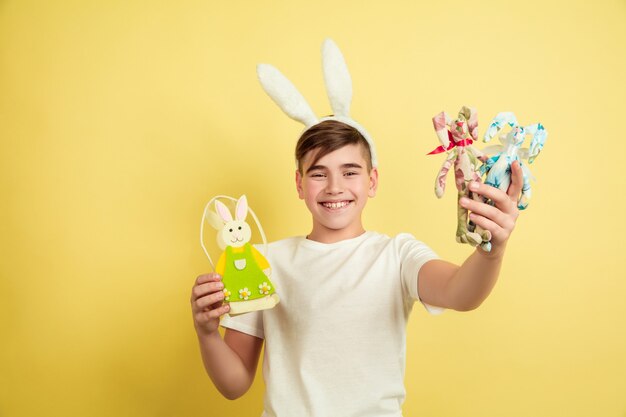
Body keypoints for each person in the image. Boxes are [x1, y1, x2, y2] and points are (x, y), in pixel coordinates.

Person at [191, 39, 522, 416]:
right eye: (318, 174)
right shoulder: (264, 261)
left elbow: (461, 293)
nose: (335, 187)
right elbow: (234, 384)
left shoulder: (397, 255)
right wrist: (206, 333)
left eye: (350, 172)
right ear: (299, 184)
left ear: (372, 181)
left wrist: (491, 249)